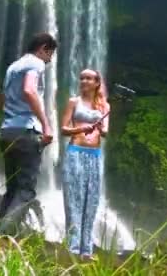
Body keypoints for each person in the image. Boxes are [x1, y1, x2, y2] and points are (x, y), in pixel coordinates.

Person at [0, 32, 57, 236]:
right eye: (51, 54)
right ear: (43, 48)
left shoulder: (12, 67)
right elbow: (30, 90)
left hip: (7, 131)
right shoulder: (36, 63)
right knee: (26, 191)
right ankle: (5, 240)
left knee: (12, 188)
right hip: (26, 132)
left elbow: (1, 100)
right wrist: (46, 125)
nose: (50, 60)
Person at [60, 69, 110, 259]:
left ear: (97, 82)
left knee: (92, 201)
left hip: (95, 156)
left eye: (88, 78)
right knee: (74, 199)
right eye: (81, 78)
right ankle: (73, 248)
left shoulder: (105, 106)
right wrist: (81, 128)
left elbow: (105, 132)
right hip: (75, 153)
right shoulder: (74, 102)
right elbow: (64, 129)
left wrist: (99, 127)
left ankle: (86, 250)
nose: (84, 81)